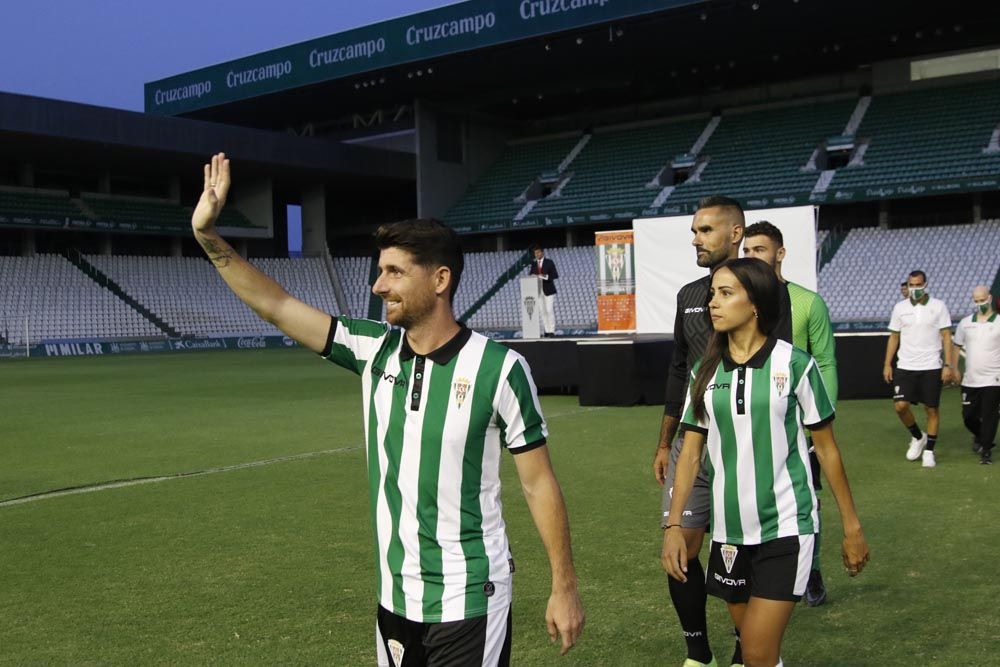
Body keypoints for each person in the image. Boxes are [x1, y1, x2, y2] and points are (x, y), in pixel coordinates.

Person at [191, 153, 584, 666]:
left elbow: (538, 483)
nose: (379, 286)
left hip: (469, 598)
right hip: (395, 597)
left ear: (440, 280)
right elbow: (277, 306)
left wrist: (564, 585)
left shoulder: (499, 368)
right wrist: (207, 235)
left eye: (395, 272)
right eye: (380, 271)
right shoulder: (372, 349)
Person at [663, 257, 869, 667]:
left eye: (725, 294)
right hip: (728, 533)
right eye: (711, 295)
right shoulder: (704, 372)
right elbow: (690, 453)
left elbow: (826, 449)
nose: (712, 304)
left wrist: (852, 526)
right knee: (761, 652)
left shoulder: (795, 364)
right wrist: (673, 525)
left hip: (786, 527)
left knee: (754, 652)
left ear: (755, 303)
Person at [653, 195, 745, 667]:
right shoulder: (689, 296)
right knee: (681, 548)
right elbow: (678, 368)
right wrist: (665, 440)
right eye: (694, 231)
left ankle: (744, 646)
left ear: (735, 234)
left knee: (740, 554)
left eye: (706, 230)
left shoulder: (766, 293)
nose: (696, 238)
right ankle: (698, 653)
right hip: (694, 444)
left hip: (746, 449)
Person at [742, 221, 837, 608]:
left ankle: (810, 571)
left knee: (807, 502)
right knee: (747, 496)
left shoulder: (807, 302)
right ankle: (755, 574)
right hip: (750, 422)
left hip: (796, 425)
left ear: (779, 254)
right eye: (747, 251)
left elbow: (826, 363)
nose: (751, 257)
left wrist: (818, 424)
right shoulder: (739, 303)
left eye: (759, 250)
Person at [883, 270, 955, 468]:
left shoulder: (938, 306)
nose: (914, 289)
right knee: (900, 406)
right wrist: (887, 364)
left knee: (931, 408)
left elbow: (947, 336)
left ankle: (929, 451)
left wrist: (948, 364)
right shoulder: (899, 308)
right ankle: (917, 436)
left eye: (918, 285)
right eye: (911, 285)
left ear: (925, 285)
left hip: (931, 366)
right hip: (905, 365)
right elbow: (894, 337)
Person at [952, 286, 1000, 465]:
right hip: (970, 380)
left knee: (989, 415)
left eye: (982, 300)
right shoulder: (965, 323)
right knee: (968, 416)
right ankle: (982, 436)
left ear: (990, 298)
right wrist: (954, 368)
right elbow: (956, 346)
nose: (980, 303)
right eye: (976, 301)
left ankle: (986, 450)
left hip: (994, 379)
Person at [528, 245, 559, 337]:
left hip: (548, 290)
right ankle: (546, 330)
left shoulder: (549, 262)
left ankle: (552, 330)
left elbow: (555, 275)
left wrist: (544, 276)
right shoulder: (533, 264)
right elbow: (530, 274)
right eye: (535, 253)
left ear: (542, 252)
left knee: (549, 310)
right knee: (542, 311)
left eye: (538, 252)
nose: (537, 254)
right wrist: (532, 275)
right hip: (537, 290)